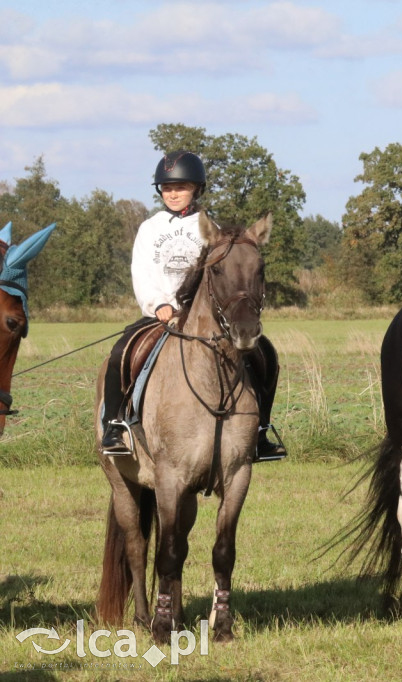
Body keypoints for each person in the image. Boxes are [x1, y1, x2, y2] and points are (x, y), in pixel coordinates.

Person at [99, 150, 287, 462]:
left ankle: (260, 431)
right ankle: (115, 425)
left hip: (204, 319)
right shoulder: (150, 228)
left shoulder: (211, 229)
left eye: (181, 187)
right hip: (160, 315)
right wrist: (158, 303)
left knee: (265, 354)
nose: (172, 193)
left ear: (196, 189)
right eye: (167, 188)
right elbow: (141, 272)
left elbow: (223, 277)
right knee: (121, 352)